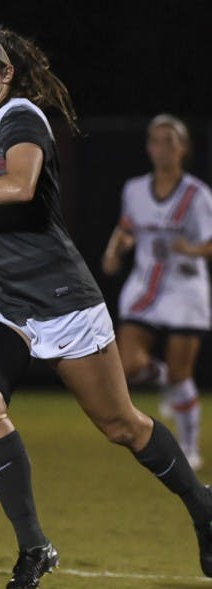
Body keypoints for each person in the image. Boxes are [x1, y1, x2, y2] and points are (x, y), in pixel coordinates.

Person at [0, 26, 212, 589]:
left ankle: (202, 505)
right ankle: (34, 543)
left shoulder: (22, 118)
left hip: (59, 297)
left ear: (6, 73)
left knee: (122, 425)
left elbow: (18, 186)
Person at [101, 114, 212, 471]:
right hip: (145, 287)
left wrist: (190, 250)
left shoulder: (197, 195)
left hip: (185, 291)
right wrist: (114, 250)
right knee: (127, 364)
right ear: (148, 148)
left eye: (170, 141)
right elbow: (126, 228)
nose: (162, 148)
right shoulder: (134, 189)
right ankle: (163, 378)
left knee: (183, 374)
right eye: (155, 141)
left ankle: (190, 448)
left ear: (183, 148)